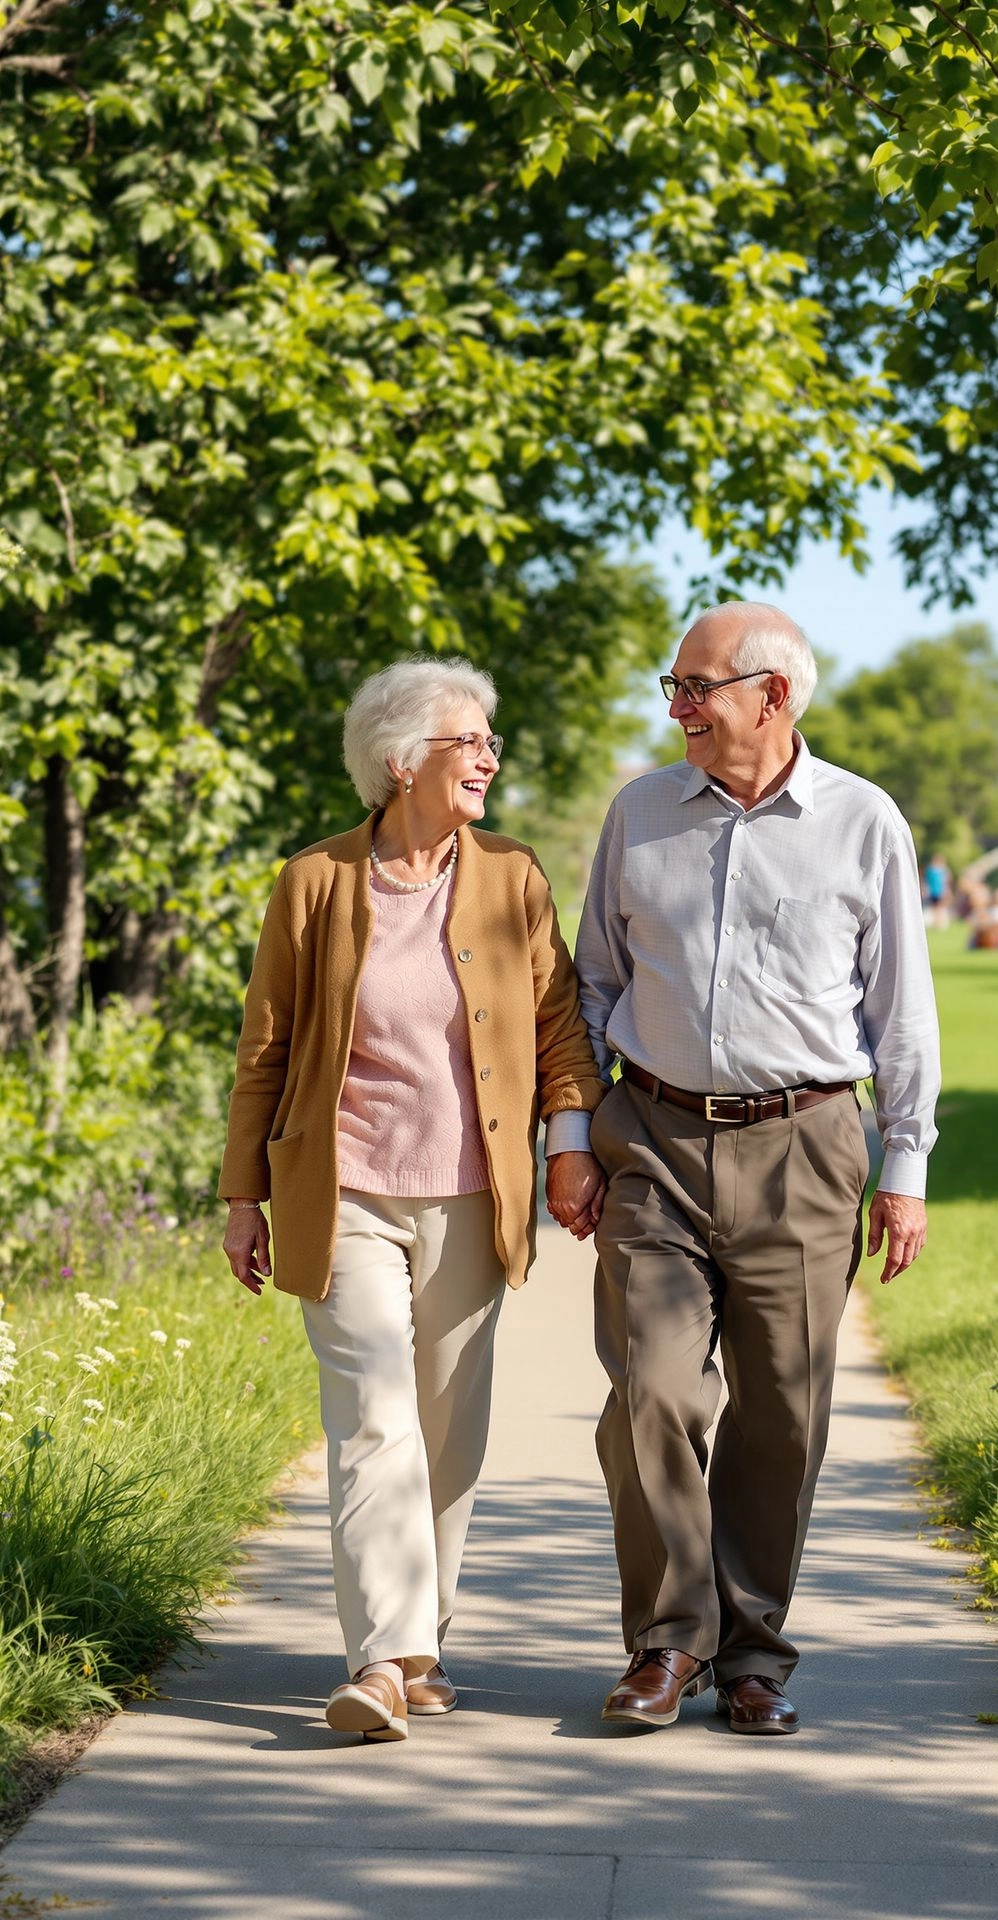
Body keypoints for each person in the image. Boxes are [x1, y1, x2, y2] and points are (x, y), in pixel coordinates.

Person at [566, 603, 940, 1736]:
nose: (674, 708)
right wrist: (573, 1139)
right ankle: (668, 1644)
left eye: (694, 688)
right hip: (657, 1138)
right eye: (672, 687)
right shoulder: (638, 813)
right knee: (655, 1391)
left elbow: (901, 1010)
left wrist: (907, 1162)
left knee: (783, 1411)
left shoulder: (864, 823)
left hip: (807, 1146)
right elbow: (588, 990)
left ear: (772, 695)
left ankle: (752, 1655)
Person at [219, 656, 605, 1743]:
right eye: (467, 741)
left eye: (490, 740)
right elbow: (266, 1049)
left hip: (473, 1195)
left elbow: (560, 1029)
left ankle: (425, 1636)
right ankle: (380, 1660)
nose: (489, 756)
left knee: (446, 1425)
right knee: (375, 1414)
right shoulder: (316, 882)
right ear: (401, 763)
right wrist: (243, 1192)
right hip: (340, 1191)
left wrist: (571, 1146)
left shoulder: (513, 878)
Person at [922, 853, 953, 930]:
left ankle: (940, 923)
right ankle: (936, 923)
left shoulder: (944, 870)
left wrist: (947, 891)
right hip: (933, 892)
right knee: (935, 907)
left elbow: (947, 882)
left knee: (940, 907)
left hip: (940, 892)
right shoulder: (930, 870)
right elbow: (926, 881)